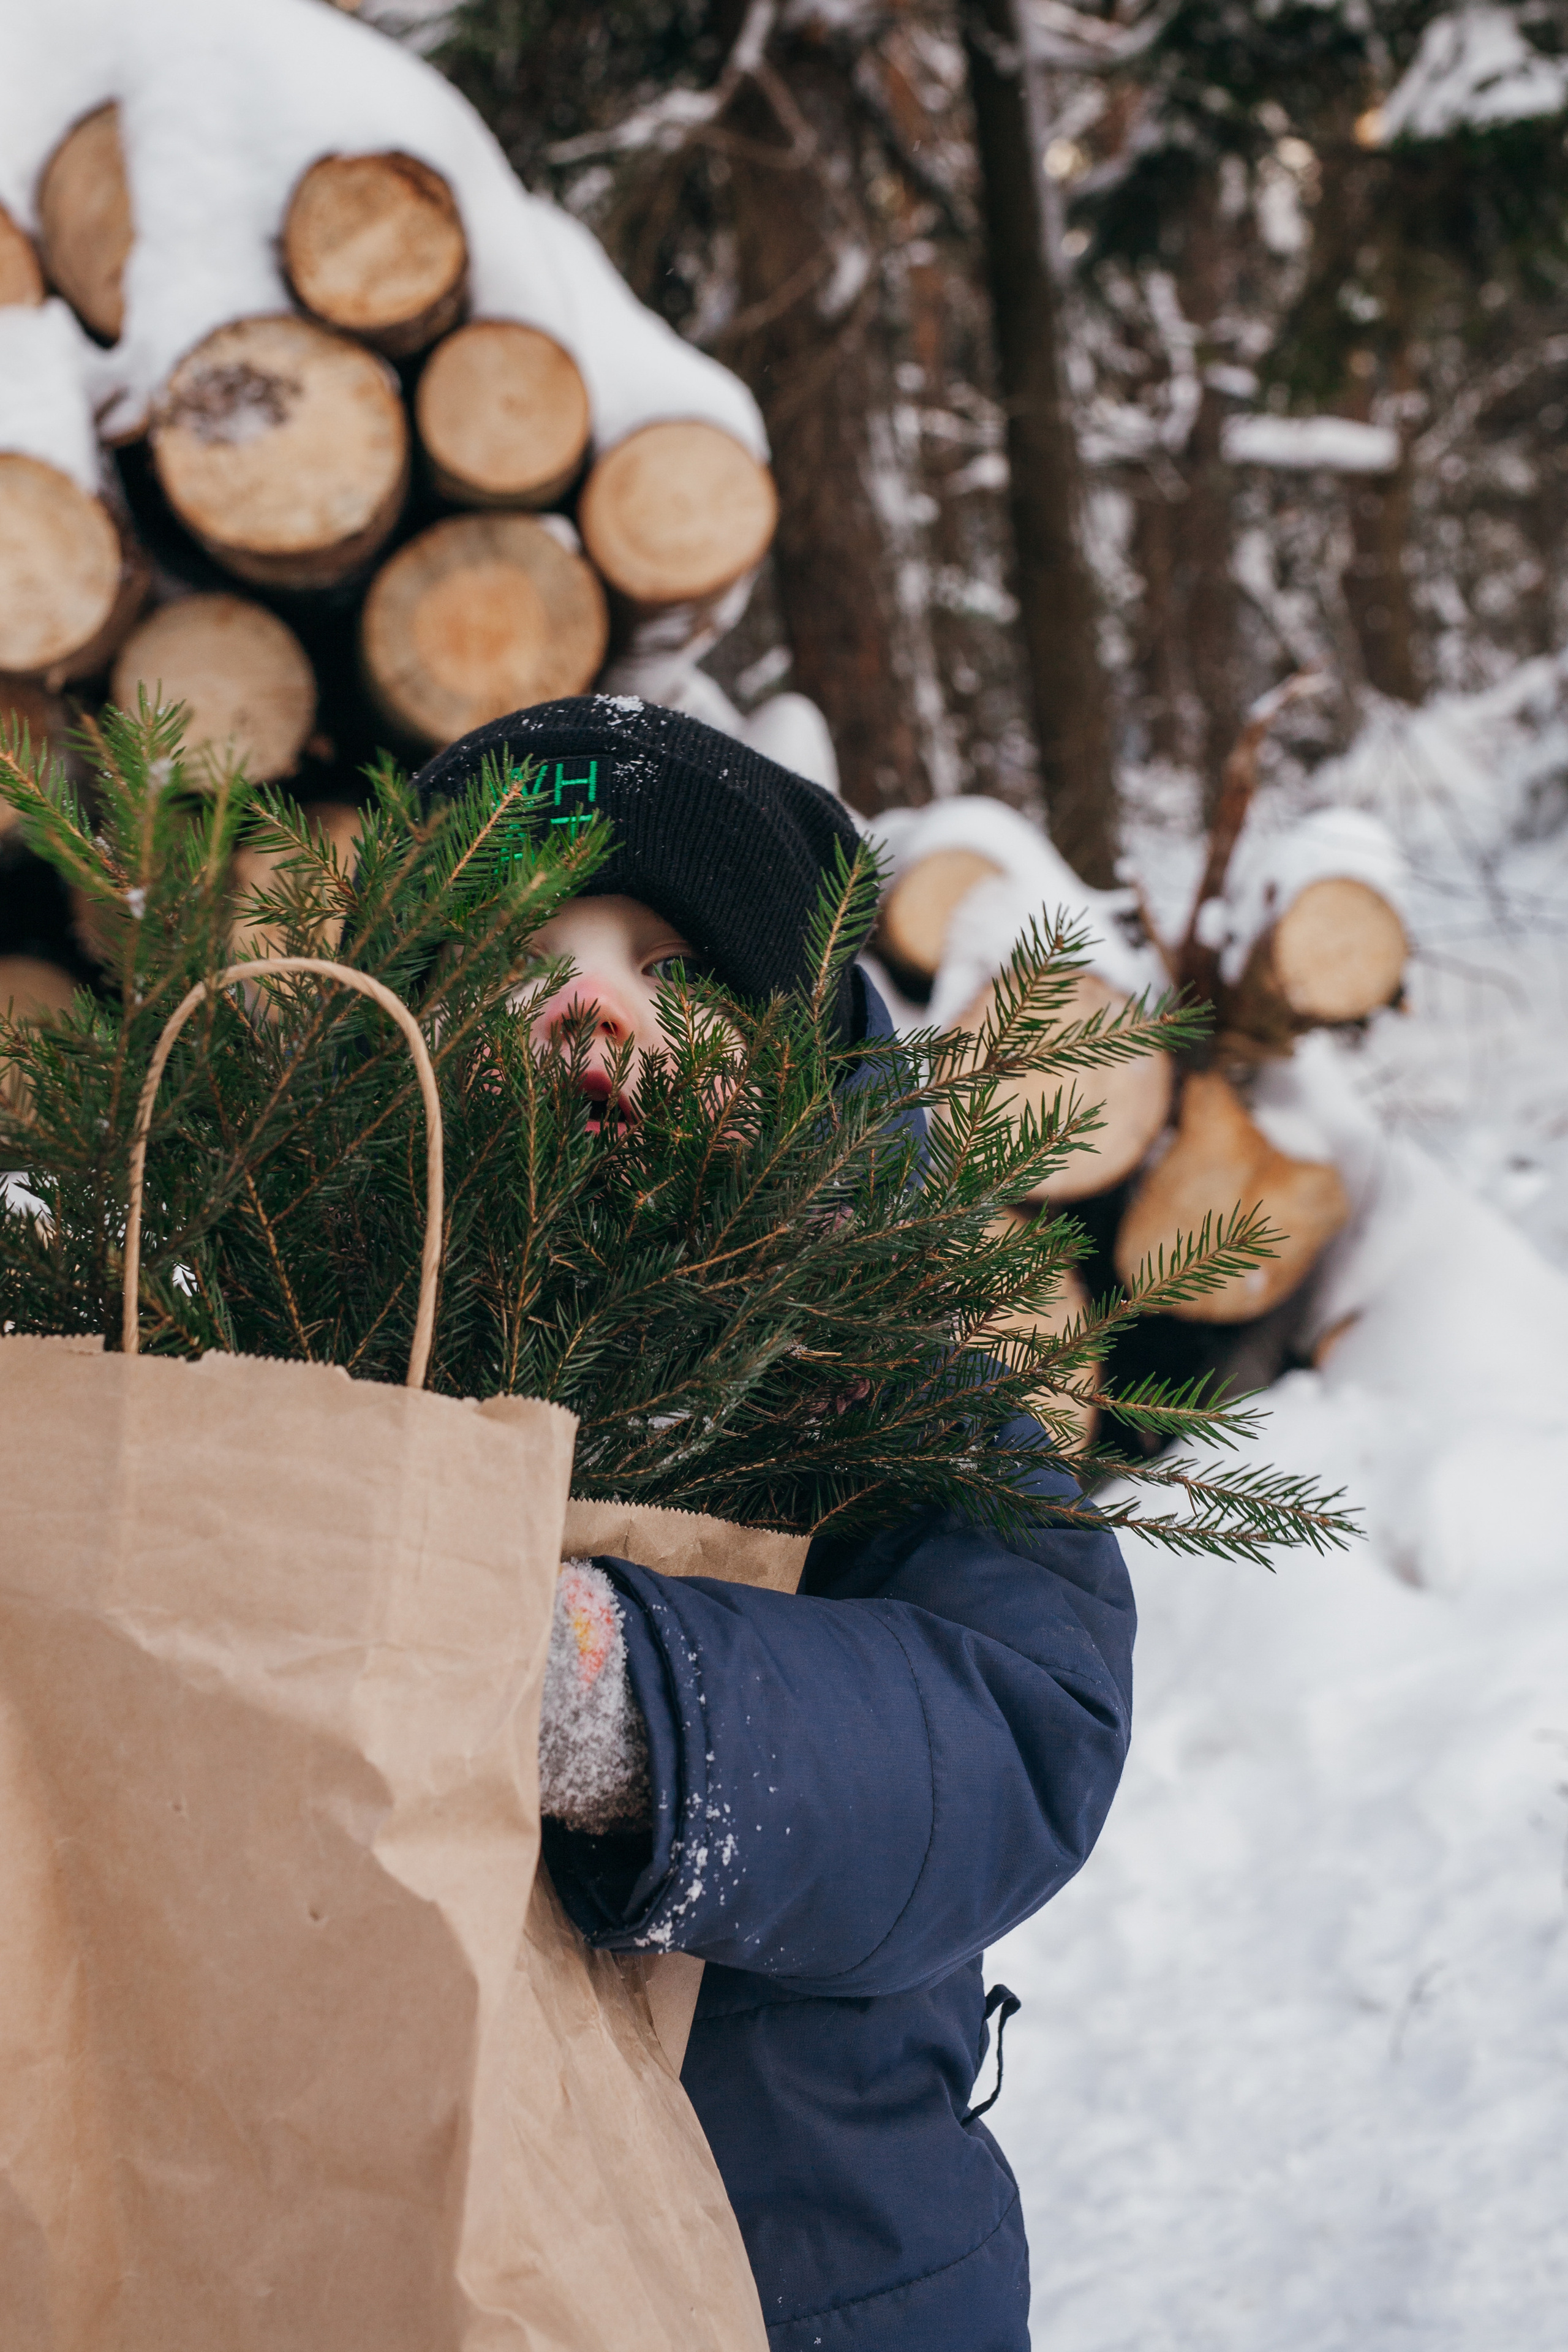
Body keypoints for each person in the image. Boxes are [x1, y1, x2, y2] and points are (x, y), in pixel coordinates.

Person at [413, 695, 1134, 2352]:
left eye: (673, 972)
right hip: (411, 2241)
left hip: (805, 2264)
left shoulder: (879, 1373)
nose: (590, 1014)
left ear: (799, 1043)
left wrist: (625, 1698)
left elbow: (1018, 1726)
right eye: (519, 963)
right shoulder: (324, 1339)